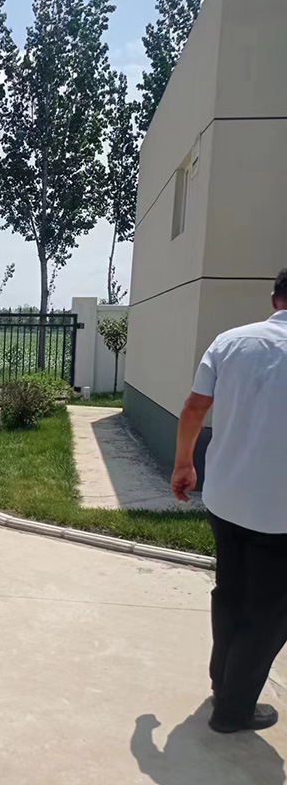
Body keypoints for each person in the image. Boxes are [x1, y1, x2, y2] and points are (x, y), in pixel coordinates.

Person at [172, 268, 287, 734]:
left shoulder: (231, 342)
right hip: (280, 512)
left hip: (227, 497)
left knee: (231, 593)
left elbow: (194, 408)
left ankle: (223, 683)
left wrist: (184, 464)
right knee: (270, 613)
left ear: (275, 298)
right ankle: (234, 709)